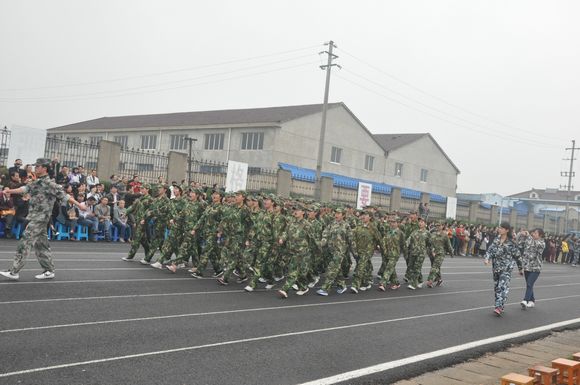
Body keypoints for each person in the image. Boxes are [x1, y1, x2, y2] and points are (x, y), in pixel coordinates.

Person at [0, 158, 85, 281]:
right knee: (41, 245)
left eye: (38, 166)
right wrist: (8, 191)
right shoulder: (37, 182)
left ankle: (14, 271)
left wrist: (79, 205)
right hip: (36, 216)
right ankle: (49, 270)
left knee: (25, 241)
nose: (35, 168)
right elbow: (24, 189)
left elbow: (65, 195)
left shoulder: (50, 184)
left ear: (44, 168)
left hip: (41, 218)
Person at [483, 221, 522, 316]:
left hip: (506, 269)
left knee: (502, 287)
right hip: (496, 268)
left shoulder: (511, 243)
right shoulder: (496, 240)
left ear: (507, 230)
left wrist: (521, 268)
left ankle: (498, 307)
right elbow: (490, 251)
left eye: (501, 228)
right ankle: (500, 306)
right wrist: (487, 259)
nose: (499, 229)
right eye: (499, 227)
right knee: (497, 288)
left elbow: (518, 256)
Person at [517, 228, 545, 309]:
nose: (534, 234)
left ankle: (525, 300)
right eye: (533, 233)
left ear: (540, 235)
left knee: (529, 283)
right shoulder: (529, 240)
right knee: (529, 285)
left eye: (536, 233)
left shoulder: (542, 243)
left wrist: (528, 235)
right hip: (527, 266)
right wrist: (521, 235)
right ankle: (532, 301)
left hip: (536, 267)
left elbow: (537, 245)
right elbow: (520, 244)